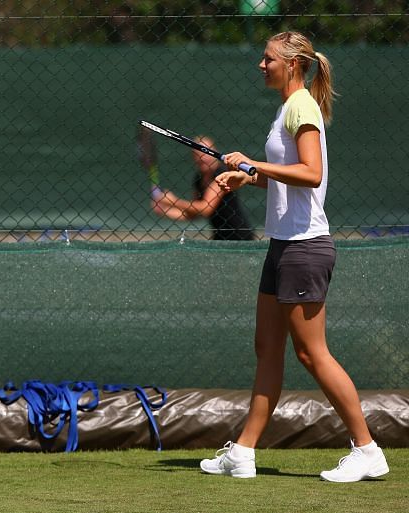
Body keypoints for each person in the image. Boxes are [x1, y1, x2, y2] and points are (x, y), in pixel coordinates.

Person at [200, 31, 389, 482]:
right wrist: (250, 179)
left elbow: (311, 173)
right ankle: (243, 453)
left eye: (268, 60)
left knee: (311, 353)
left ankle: (367, 450)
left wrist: (254, 165)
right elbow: (294, 180)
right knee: (267, 349)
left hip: (305, 248)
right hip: (283, 245)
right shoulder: (287, 108)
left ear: (292, 64)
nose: (260, 66)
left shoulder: (301, 105)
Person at [149, 135, 255, 241]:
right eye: (198, 154)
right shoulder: (198, 179)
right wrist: (165, 211)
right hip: (219, 236)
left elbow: (205, 209)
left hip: (240, 236)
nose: (203, 157)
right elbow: (193, 213)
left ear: (214, 152)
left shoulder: (222, 174)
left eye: (206, 152)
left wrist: (173, 201)